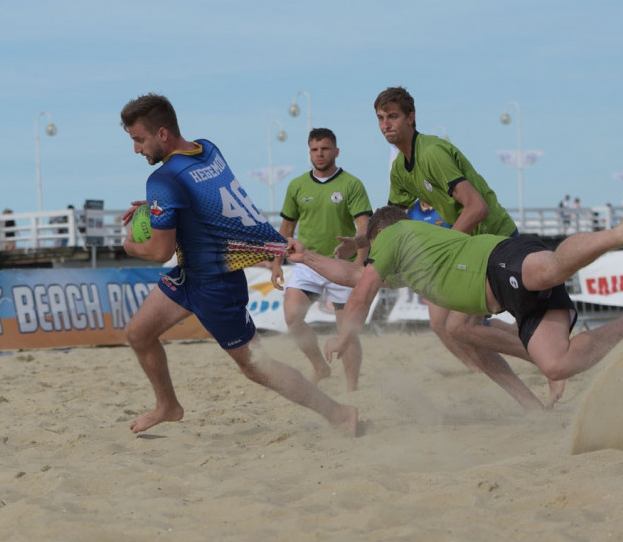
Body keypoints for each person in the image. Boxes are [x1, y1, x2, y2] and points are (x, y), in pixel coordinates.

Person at [118, 93, 357, 436]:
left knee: (257, 367)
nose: (137, 149)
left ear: (163, 134)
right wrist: (161, 205)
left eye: (139, 139)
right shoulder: (206, 149)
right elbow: (207, 196)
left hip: (216, 286)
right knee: (139, 334)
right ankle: (167, 405)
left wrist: (130, 245)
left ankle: (338, 412)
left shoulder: (164, 179)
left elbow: (158, 251)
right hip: (190, 277)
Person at [289, 206, 623, 404]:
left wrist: (343, 337)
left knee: (550, 268)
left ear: (379, 237)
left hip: (499, 262)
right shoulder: (409, 266)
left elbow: (362, 293)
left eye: (372, 248)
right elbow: (351, 276)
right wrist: (306, 257)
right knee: (556, 363)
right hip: (511, 301)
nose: (371, 257)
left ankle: (621, 232)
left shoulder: (394, 235)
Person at [337, 86, 555, 409]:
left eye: (393, 117)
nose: (386, 125)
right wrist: (361, 240)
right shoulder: (400, 168)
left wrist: (444, 249)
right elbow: (390, 221)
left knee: (461, 326)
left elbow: (477, 207)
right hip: (471, 249)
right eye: (381, 119)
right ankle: (533, 394)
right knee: (447, 325)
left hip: (497, 241)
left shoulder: (432, 153)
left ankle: (547, 361)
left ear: (411, 118)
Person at [270, 128, 372, 391]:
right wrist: (276, 263)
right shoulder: (297, 185)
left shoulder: (351, 184)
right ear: (309, 152)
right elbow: (286, 230)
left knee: (347, 331)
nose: (320, 154)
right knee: (293, 317)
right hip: (308, 262)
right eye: (315, 149)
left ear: (336, 151)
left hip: (341, 266)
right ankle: (320, 367)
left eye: (325, 149)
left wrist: (359, 267)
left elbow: (365, 229)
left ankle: (353, 388)